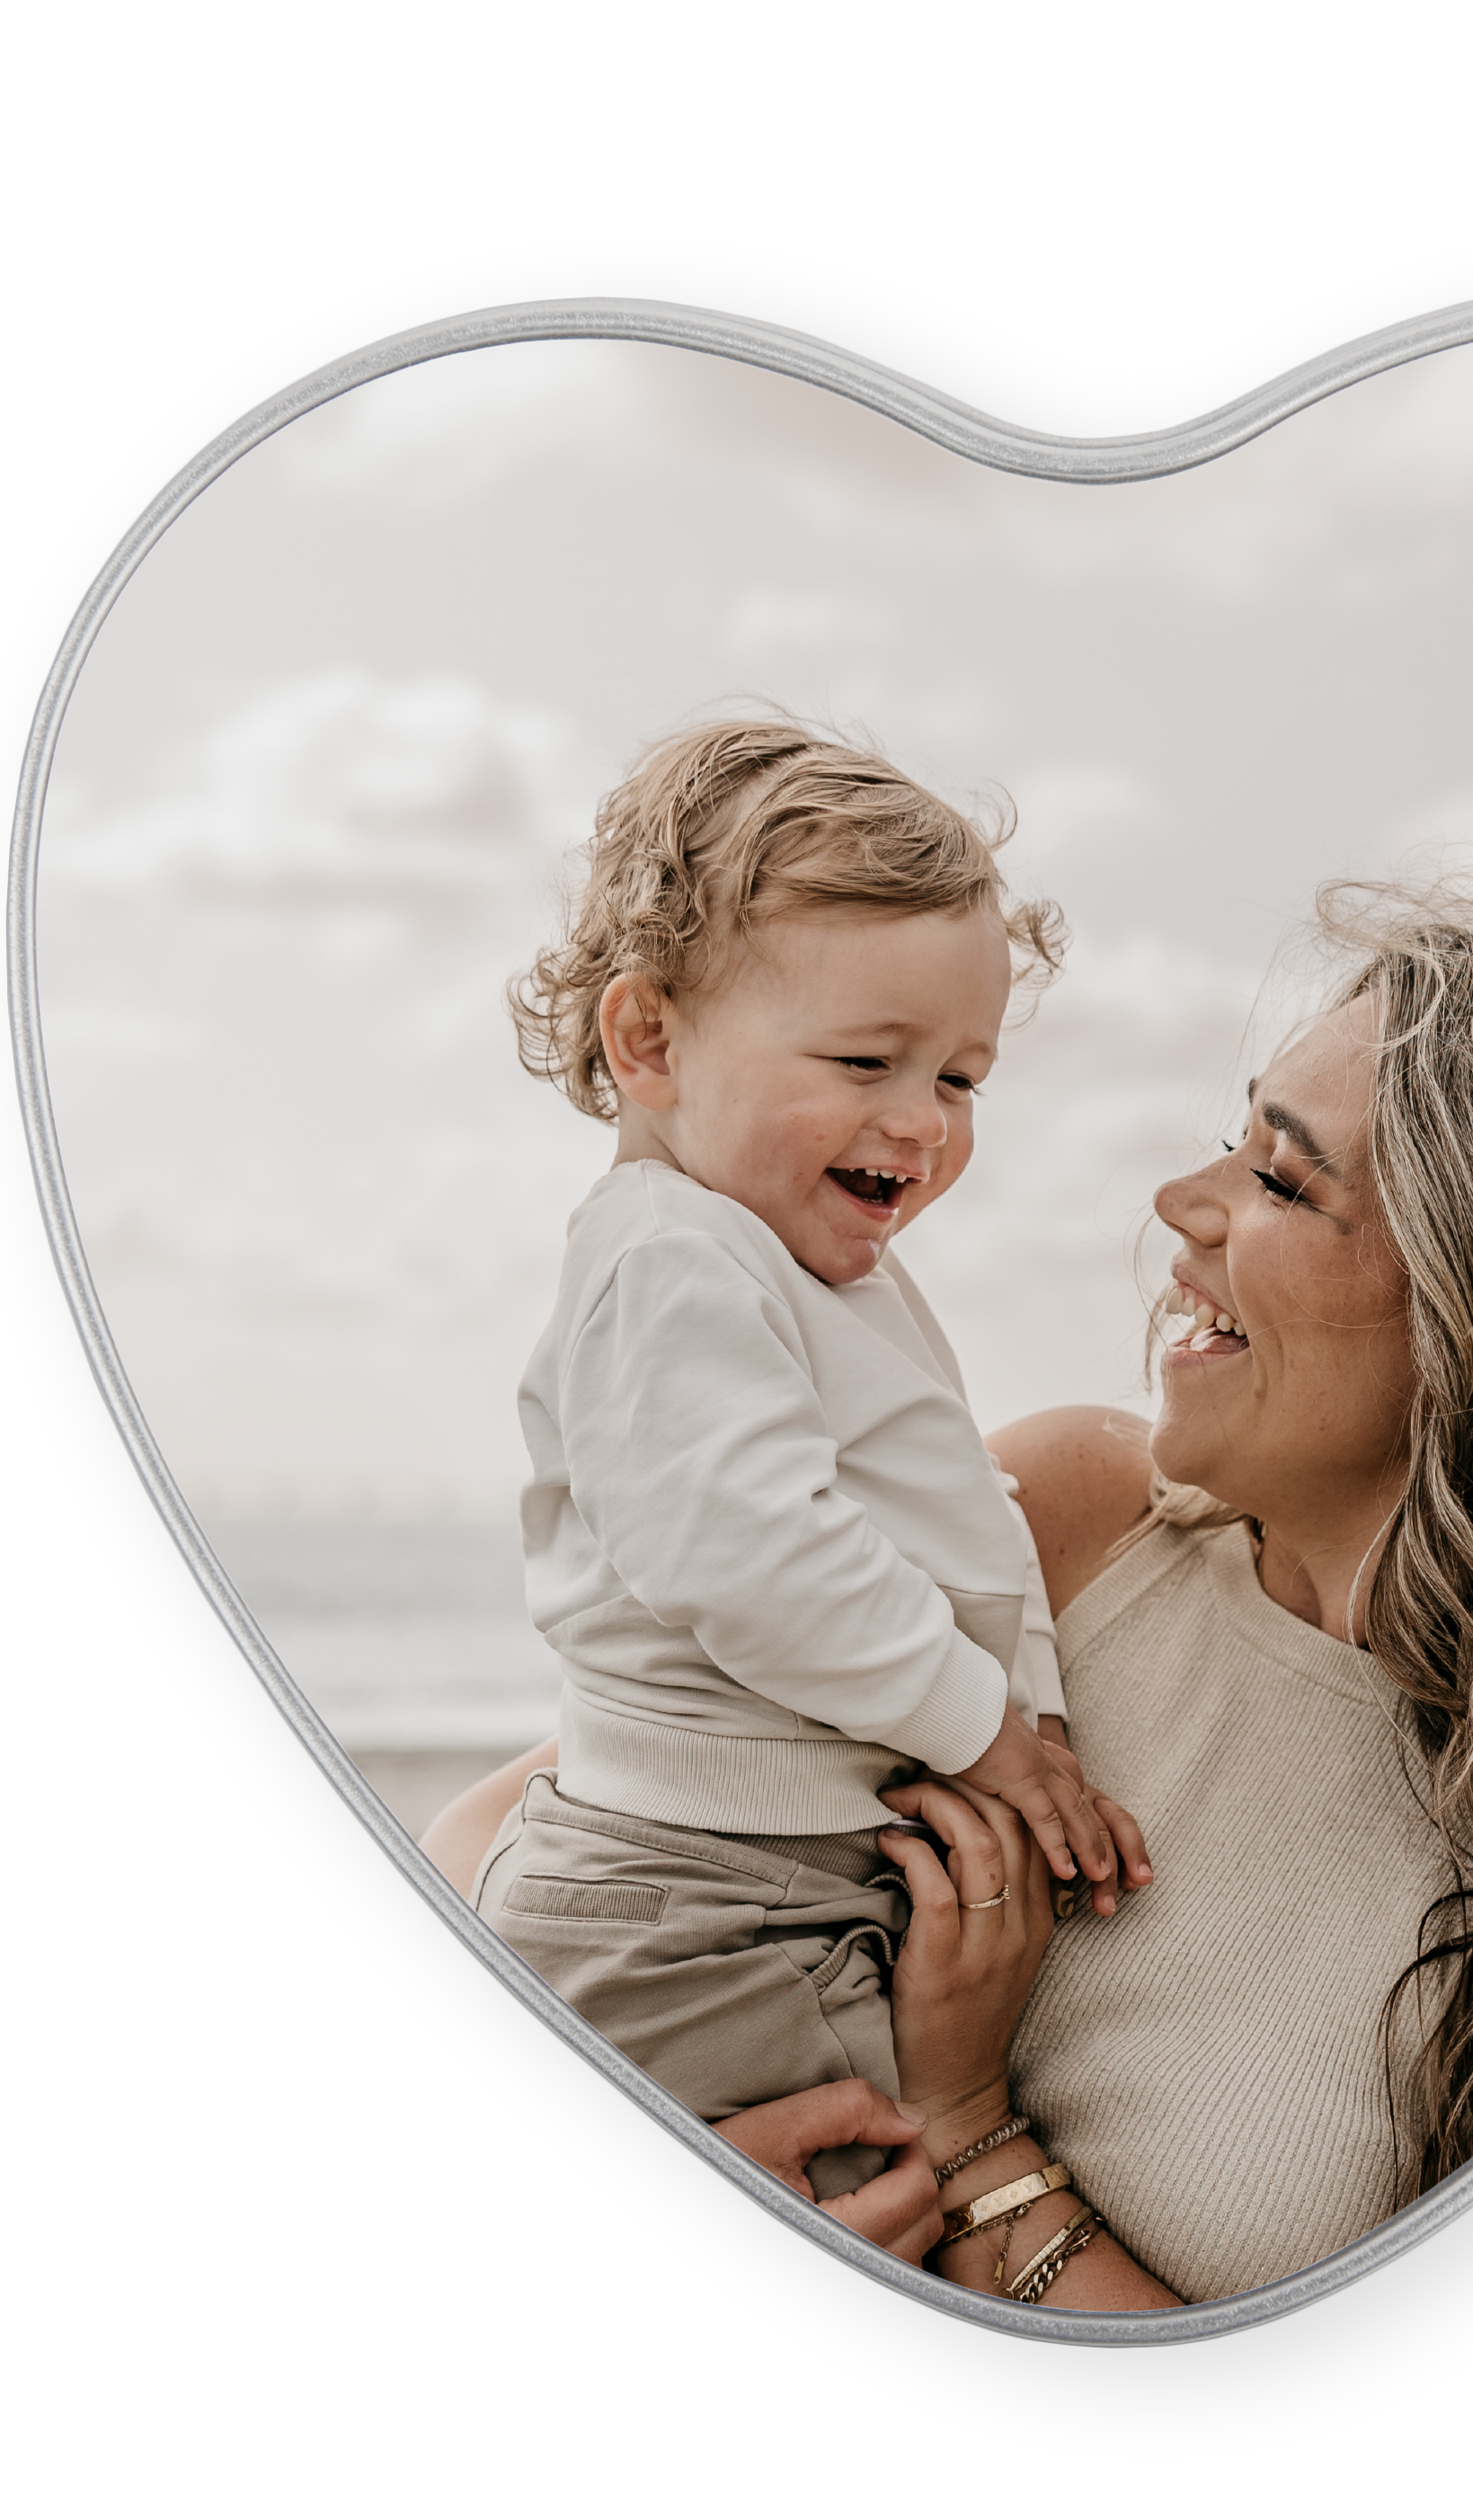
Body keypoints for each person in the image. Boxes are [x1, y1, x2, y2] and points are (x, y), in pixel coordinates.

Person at [427, 881, 1473, 2303]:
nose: (1180, 1204)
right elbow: (520, 1837)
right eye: (1230, 1144)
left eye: (1281, 1180)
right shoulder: (1069, 1523)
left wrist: (969, 2134)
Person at [466, 717, 1149, 2204]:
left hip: (766, 1886)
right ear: (649, 1043)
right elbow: (748, 1551)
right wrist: (983, 1729)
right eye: (865, 1062)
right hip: (688, 1906)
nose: (922, 1122)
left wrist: (1036, 1719)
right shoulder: (667, 1259)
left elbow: (958, 1518)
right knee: (857, 2202)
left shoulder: (804, 1272)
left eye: (960, 1078)